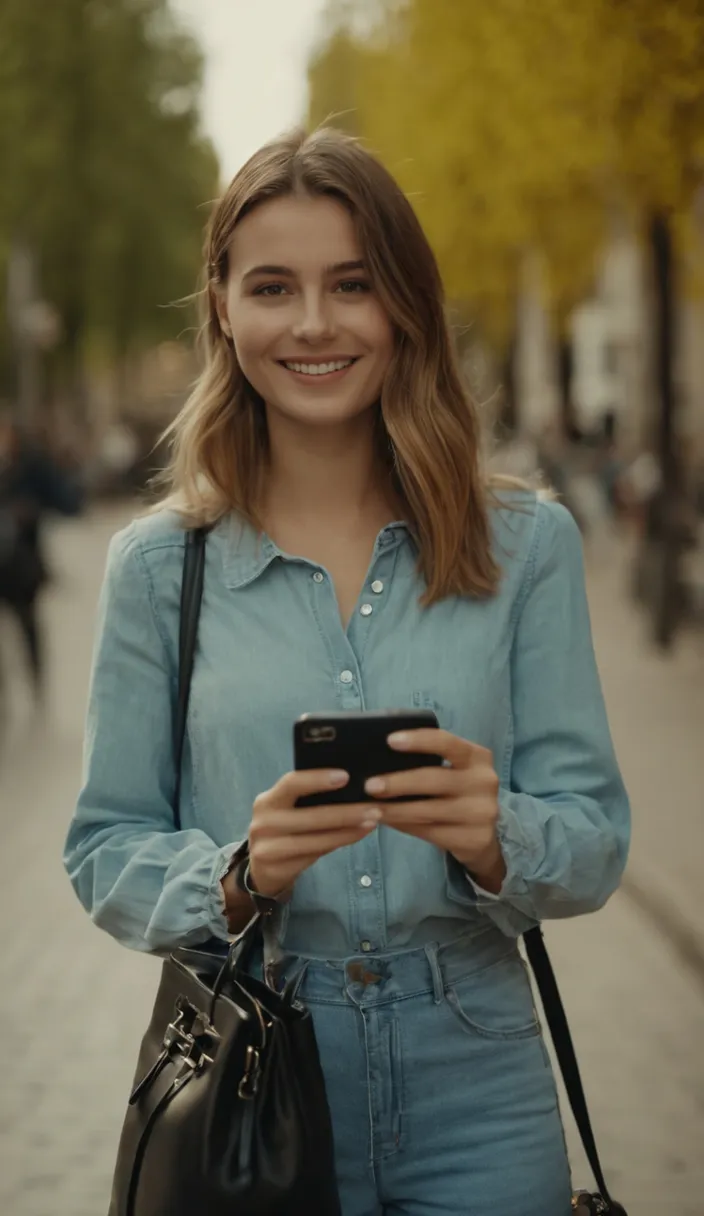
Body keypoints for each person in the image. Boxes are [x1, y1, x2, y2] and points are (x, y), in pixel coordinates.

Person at [64, 128, 630, 1216]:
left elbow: (593, 839)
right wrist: (238, 874)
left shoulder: (526, 546)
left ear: (403, 305)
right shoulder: (155, 567)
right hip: (248, 1070)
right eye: (273, 286)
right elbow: (103, 847)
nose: (314, 324)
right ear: (222, 307)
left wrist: (491, 831)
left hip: (478, 1066)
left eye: (352, 285)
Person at [0, 413, 83, 693]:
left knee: (28, 627)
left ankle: (37, 686)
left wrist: (31, 509)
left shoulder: (31, 467)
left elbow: (68, 502)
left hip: (22, 568)